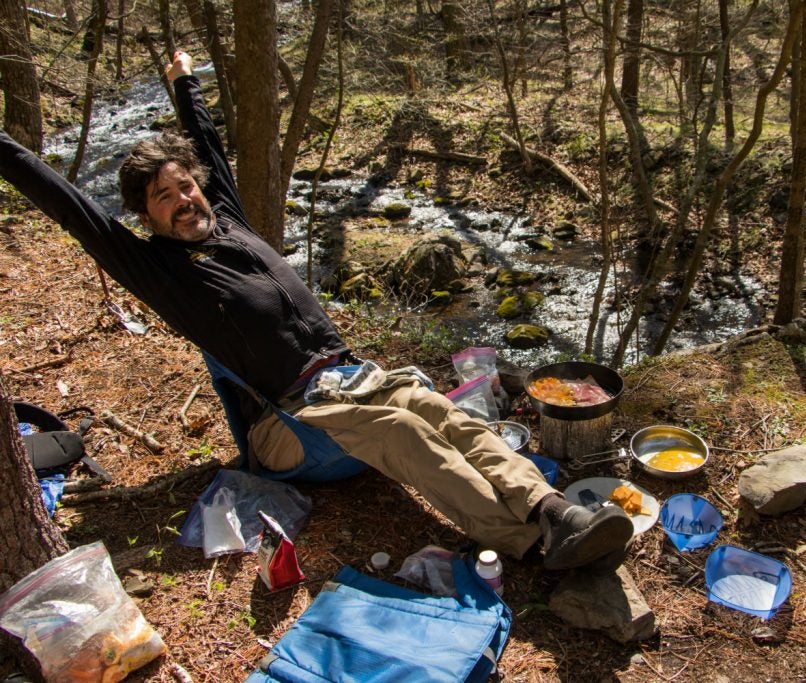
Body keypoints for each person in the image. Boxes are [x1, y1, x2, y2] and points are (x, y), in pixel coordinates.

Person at [0, 51, 633, 572]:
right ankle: (532, 542)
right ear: (147, 216)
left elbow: (208, 146)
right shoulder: (160, 271)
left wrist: (183, 83)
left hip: (347, 377)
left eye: (185, 185)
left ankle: (554, 508)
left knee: (440, 409)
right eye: (164, 197)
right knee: (402, 432)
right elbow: (66, 203)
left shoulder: (229, 224)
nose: (183, 199)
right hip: (288, 423)